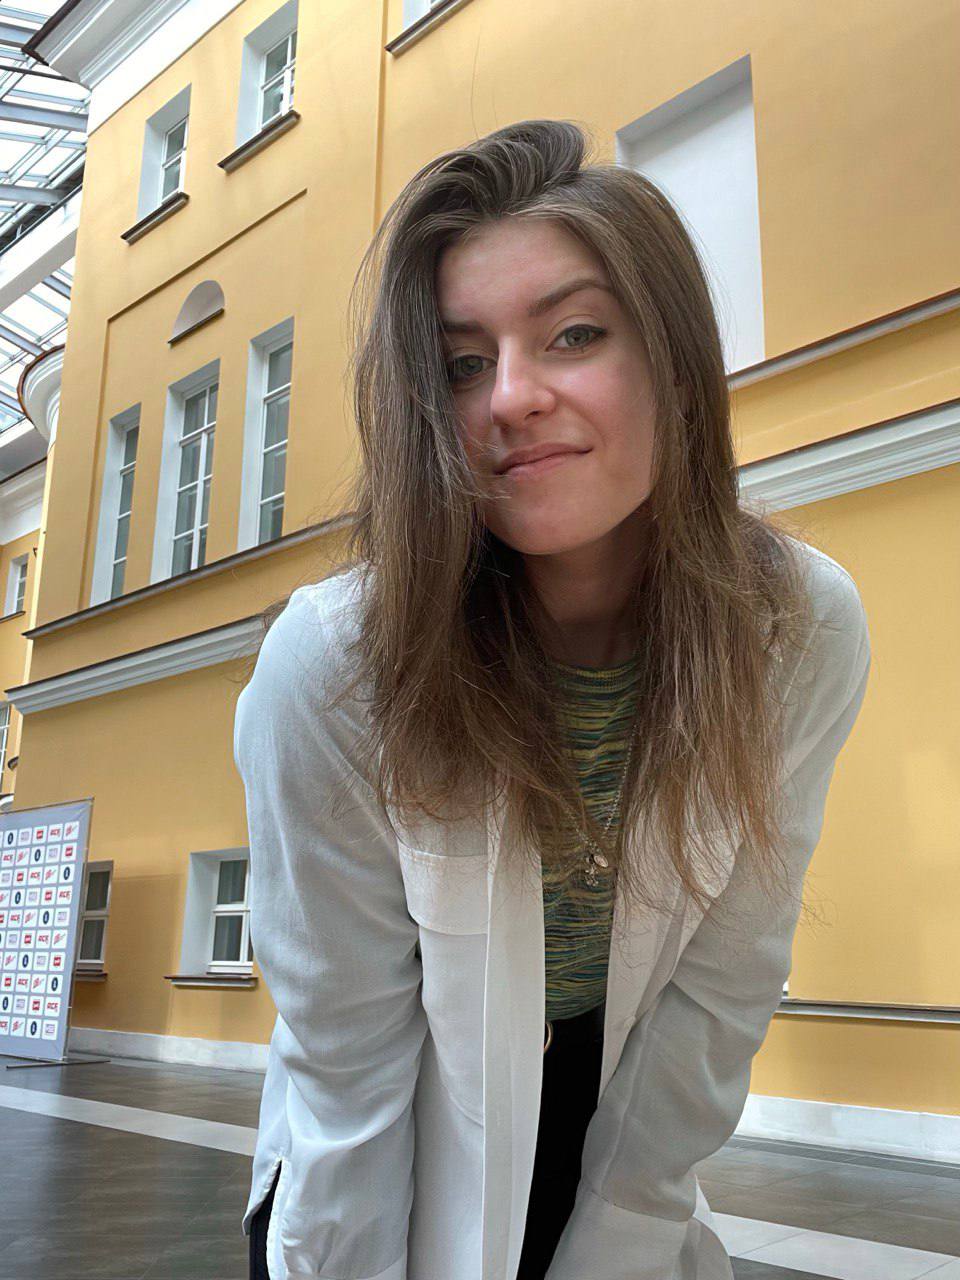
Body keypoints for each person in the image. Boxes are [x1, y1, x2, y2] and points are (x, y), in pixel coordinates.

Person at [236, 119, 871, 1280]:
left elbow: (719, 992)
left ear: (673, 360)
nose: (511, 398)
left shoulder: (797, 631)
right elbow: (349, 1065)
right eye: (462, 364)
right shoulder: (333, 666)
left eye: (574, 334)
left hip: (612, 1116)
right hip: (380, 1138)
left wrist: (623, 1231)